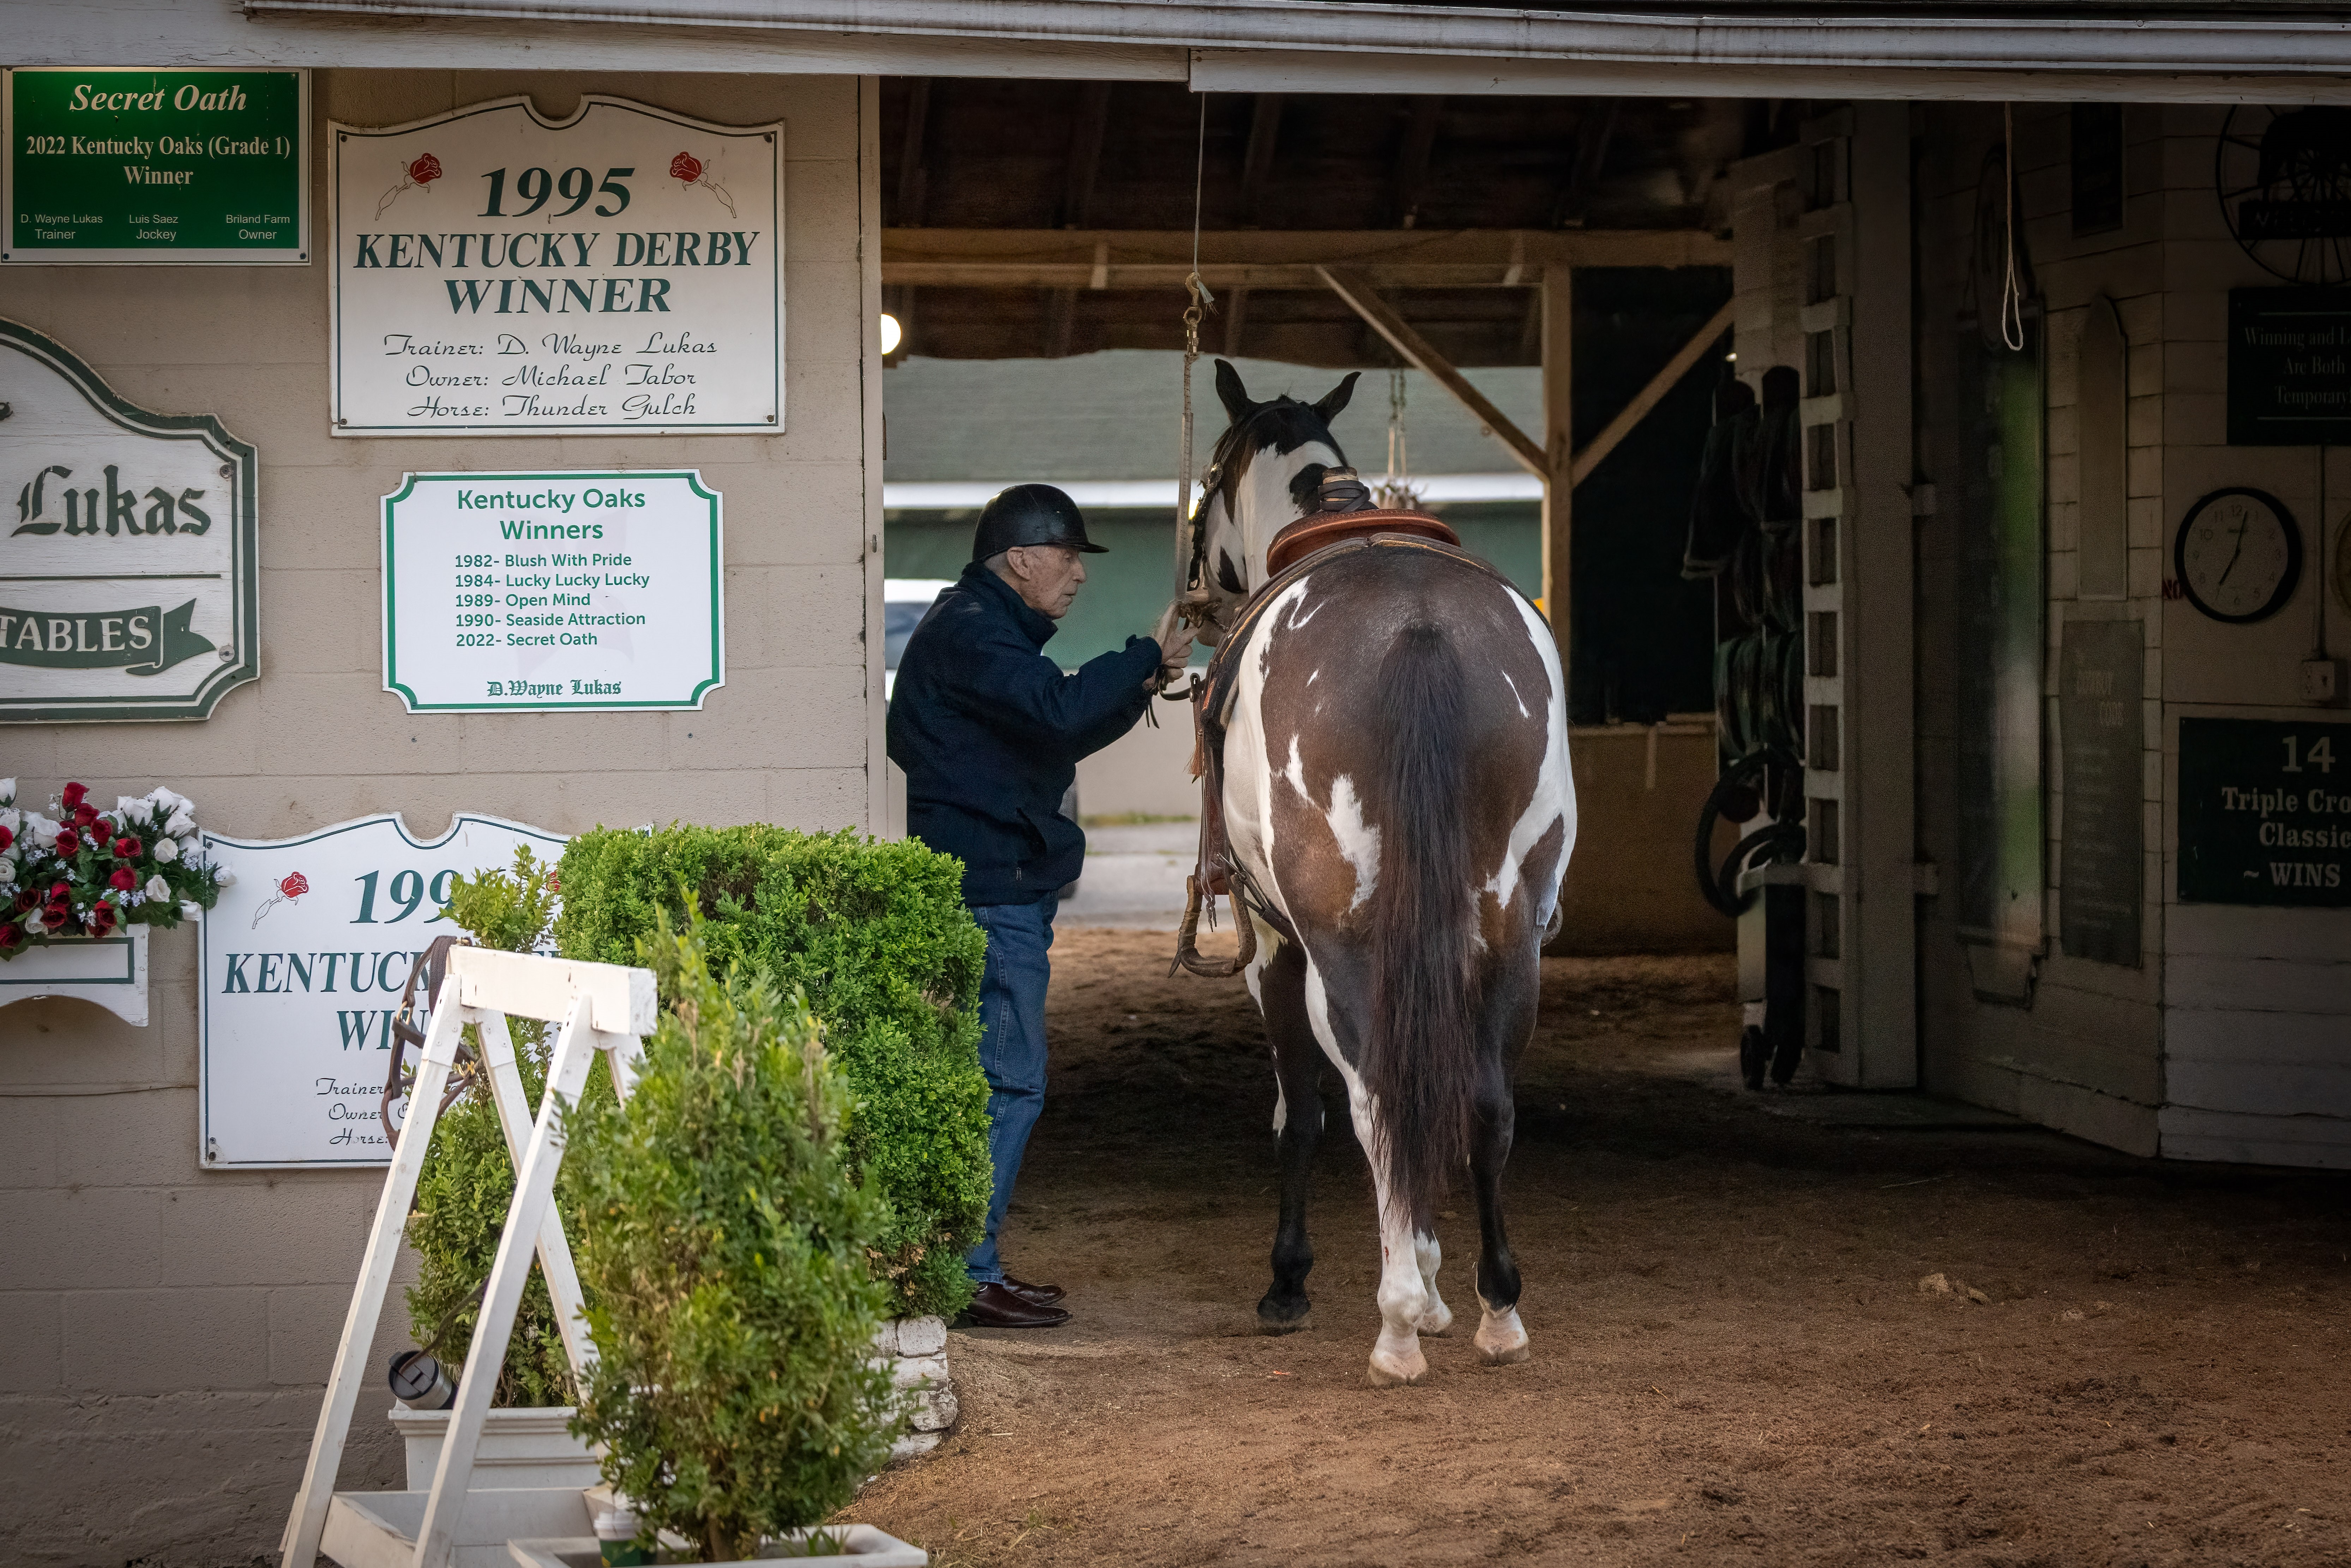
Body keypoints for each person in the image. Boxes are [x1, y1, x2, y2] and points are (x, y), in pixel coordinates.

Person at [887, 484, 1192, 1329]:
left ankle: (963, 1264)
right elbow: (1058, 710)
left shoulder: (973, 631)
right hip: (992, 895)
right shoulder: (973, 634)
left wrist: (1141, 678)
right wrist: (1139, 657)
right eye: (1067, 556)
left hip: (991, 886)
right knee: (1008, 1081)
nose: (1078, 576)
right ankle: (967, 1272)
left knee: (988, 1079)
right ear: (1021, 559)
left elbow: (1056, 725)